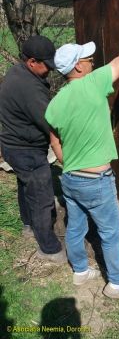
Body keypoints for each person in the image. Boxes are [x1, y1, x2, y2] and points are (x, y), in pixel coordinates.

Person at [45, 6, 119, 298]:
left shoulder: (54, 103)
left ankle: (80, 271)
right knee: (109, 232)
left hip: (70, 179)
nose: (93, 62)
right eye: (89, 59)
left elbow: (54, 141)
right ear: (78, 68)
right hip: (96, 181)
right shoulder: (93, 84)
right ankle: (116, 284)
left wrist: (70, 163)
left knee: (76, 226)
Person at [0, 35, 66, 263]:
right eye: (46, 64)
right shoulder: (30, 89)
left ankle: (28, 225)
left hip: (13, 146)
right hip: (26, 150)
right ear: (31, 62)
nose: (50, 69)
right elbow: (51, 122)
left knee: (26, 185)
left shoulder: (16, 73)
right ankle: (49, 248)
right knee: (42, 196)